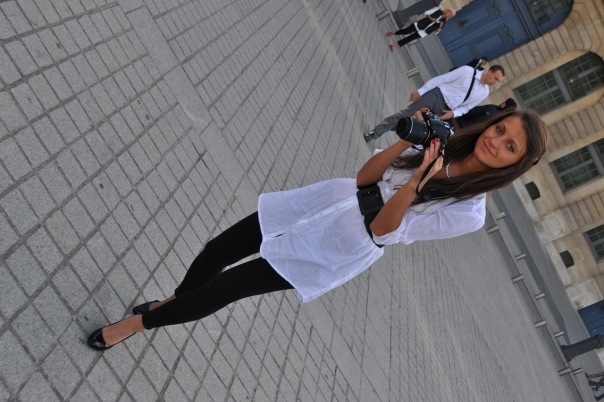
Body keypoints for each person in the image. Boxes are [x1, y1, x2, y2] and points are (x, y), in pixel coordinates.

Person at [87, 109, 547, 351]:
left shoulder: (469, 212)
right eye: (500, 130)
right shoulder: (446, 143)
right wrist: (409, 140)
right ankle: (171, 304)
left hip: (340, 243)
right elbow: (365, 177)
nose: (496, 142)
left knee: (227, 287)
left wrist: (415, 185)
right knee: (217, 250)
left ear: (515, 164)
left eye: (510, 147)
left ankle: (137, 324)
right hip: (326, 202)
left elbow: (384, 231)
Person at [363, 65, 505, 142]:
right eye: (496, 78)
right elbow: (441, 79)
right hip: (436, 96)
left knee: (413, 124)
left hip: (444, 110)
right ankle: (375, 132)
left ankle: (389, 126)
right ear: (490, 71)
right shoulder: (467, 71)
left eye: (498, 81)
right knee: (406, 114)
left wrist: (453, 113)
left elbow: (467, 107)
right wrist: (421, 91)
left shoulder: (484, 92)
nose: (495, 83)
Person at [386, 8, 455, 51]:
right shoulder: (438, 10)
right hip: (420, 24)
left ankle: (394, 45)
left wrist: (439, 27)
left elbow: (436, 32)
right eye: (450, 13)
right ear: (447, 11)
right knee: (406, 31)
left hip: (423, 32)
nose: (449, 15)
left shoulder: (444, 22)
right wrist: (431, 19)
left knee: (409, 39)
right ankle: (393, 33)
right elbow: (426, 13)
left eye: (451, 15)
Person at [451, 98, 517, 129]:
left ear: (504, 104)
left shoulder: (491, 108)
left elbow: (471, 111)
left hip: (461, 125)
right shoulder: (502, 122)